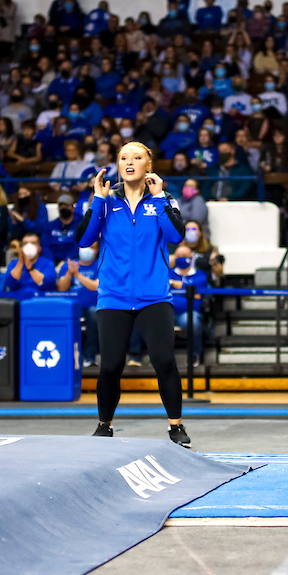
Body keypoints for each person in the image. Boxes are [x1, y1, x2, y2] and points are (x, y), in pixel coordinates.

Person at [77, 144, 190, 446]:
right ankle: (104, 424)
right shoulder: (105, 201)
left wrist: (158, 197)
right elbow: (85, 239)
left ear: (148, 164)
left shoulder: (164, 200)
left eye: (136, 157)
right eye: (123, 158)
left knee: (164, 361)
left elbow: (176, 236)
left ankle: (175, 426)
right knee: (111, 365)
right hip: (113, 296)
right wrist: (97, 199)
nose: (129, 162)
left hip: (154, 296)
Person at [57, 240, 102, 367]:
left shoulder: (101, 264)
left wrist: (76, 274)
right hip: (72, 306)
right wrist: (69, 274)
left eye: (92, 247)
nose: (88, 249)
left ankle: (89, 356)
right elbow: (61, 289)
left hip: (94, 306)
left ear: (97, 250)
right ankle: (65, 357)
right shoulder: (68, 266)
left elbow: (96, 286)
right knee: (63, 314)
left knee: (94, 314)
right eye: (86, 246)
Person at [169, 243, 208, 363]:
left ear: (191, 257)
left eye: (184, 255)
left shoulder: (200, 275)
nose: (181, 257)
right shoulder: (167, 273)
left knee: (193, 321)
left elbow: (197, 296)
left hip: (188, 312)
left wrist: (175, 285)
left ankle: (195, 355)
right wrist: (187, 291)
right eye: (178, 255)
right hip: (166, 311)